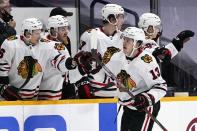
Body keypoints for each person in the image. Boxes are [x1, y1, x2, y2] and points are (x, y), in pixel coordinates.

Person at [0, 17, 88, 101]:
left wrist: (73, 62)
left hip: (32, 98)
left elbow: (60, 62)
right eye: (37, 33)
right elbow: (2, 67)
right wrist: (3, 87)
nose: (40, 36)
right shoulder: (10, 44)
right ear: (27, 33)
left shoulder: (47, 45)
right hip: (9, 98)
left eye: (40, 32)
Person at [105, 27, 167, 131]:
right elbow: (107, 70)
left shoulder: (146, 61)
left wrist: (147, 98)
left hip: (145, 107)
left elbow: (161, 86)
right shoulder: (118, 56)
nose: (124, 42)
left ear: (137, 44)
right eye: (124, 39)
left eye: (128, 40)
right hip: (129, 105)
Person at [74, 4, 125, 98]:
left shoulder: (123, 37)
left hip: (117, 92)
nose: (123, 20)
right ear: (111, 19)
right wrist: (81, 83)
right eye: (120, 17)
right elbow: (80, 62)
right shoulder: (91, 35)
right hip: (95, 90)